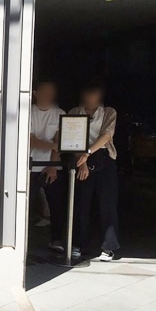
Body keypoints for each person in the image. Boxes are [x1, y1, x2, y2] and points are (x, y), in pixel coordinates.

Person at [69, 80, 120, 262]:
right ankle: (78, 244)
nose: (90, 97)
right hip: (81, 160)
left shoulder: (108, 112)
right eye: (88, 93)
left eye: (94, 94)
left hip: (104, 158)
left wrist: (88, 152)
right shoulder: (75, 112)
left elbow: (107, 135)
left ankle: (108, 247)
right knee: (82, 203)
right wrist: (81, 161)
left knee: (107, 203)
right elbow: (71, 139)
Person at [30, 79, 67, 252]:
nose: (49, 95)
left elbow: (60, 140)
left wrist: (53, 164)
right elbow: (30, 141)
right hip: (30, 166)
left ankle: (56, 239)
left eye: (51, 91)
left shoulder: (60, 113)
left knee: (57, 204)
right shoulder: (28, 113)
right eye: (45, 91)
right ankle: (25, 242)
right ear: (36, 93)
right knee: (26, 205)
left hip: (53, 166)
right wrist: (52, 145)